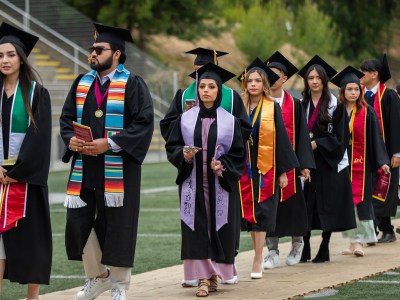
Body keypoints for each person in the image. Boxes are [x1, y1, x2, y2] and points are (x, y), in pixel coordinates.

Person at [60, 23, 154, 300]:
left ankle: (119, 285)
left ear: (116, 54)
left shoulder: (132, 84)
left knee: (119, 224)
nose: (92, 54)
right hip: (85, 165)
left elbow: (144, 123)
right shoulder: (81, 83)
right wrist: (71, 140)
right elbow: (67, 120)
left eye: (99, 49)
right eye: (91, 49)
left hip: (119, 168)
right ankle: (98, 276)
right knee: (79, 220)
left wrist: (110, 143)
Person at [160, 48, 251, 287]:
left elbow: (240, 142)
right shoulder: (184, 104)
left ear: (219, 86)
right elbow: (172, 136)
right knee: (196, 224)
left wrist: (224, 163)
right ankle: (201, 276)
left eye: (211, 85)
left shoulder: (231, 105)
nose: (205, 89)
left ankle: (217, 273)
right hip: (194, 178)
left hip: (219, 179)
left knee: (221, 224)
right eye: (202, 84)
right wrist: (183, 154)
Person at [0, 22, 52, 300]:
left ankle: (33, 297)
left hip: (25, 181)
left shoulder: (36, 94)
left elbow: (40, 138)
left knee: (31, 242)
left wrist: (17, 171)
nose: (5, 60)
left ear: (21, 57)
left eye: (10, 54)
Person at [238, 58, 299, 279]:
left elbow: (282, 140)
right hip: (244, 167)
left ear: (264, 84)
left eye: (257, 81)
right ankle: (258, 252)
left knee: (263, 211)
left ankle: (257, 258)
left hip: (268, 167)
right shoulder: (239, 106)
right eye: (250, 80)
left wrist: (283, 171)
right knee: (250, 213)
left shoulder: (273, 107)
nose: (253, 84)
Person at [298, 55, 356, 263]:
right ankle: (304, 247)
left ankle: (324, 245)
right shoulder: (301, 104)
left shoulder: (335, 105)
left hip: (328, 162)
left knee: (327, 205)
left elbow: (341, 138)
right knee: (306, 205)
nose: (314, 81)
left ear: (324, 80)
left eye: (318, 77)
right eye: (310, 77)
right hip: (308, 162)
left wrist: (317, 144)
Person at [263, 51, 315, 269]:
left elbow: (303, 135)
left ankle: (297, 244)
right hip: (266, 165)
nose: (271, 79)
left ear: (284, 78)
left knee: (294, 209)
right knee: (269, 210)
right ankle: (272, 252)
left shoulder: (294, 104)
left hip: (291, 168)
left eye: (275, 75)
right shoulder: (261, 103)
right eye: (268, 75)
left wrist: (305, 165)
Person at [331, 66, 390, 257]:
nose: (353, 92)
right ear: (342, 91)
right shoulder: (338, 112)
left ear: (360, 90)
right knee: (348, 203)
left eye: (356, 89)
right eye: (349, 89)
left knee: (362, 202)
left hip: (362, 165)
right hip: (342, 164)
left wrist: (382, 161)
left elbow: (376, 138)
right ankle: (352, 242)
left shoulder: (367, 112)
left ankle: (359, 243)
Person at [360, 54, 400, 243]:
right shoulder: (358, 94)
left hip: (387, 154)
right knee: (373, 191)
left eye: (364, 72)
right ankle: (387, 230)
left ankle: (368, 230)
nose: (360, 75)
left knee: (382, 191)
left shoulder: (389, 95)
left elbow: (396, 125)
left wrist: (397, 153)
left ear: (374, 74)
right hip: (366, 153)